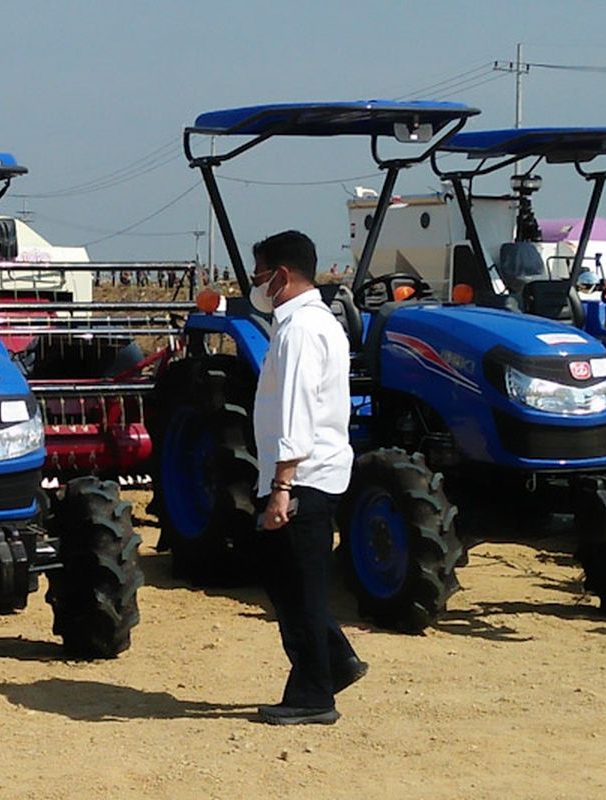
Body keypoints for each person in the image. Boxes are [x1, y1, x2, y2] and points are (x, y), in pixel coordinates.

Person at [248, 230, 367, 726]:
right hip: (316, 474)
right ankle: (336, 660)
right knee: (294, 584)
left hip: (301, 479)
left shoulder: (298, 331)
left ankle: (314, 695)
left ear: (281, 275)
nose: (255, 286)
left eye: (260, 277)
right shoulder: (320, 324)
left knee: (298, 592)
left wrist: (281, 487)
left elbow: (295, 412)